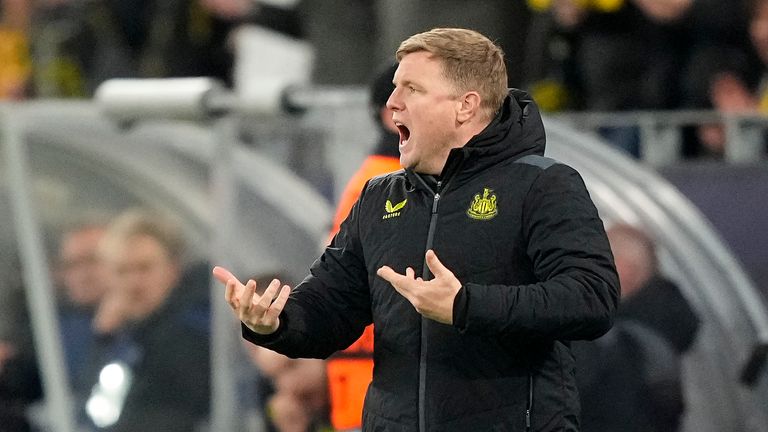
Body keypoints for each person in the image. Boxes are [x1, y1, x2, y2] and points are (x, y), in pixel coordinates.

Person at [214, 27, 619, 431]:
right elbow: (332, 307)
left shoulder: (543, 185)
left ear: (465, 106)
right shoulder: (378, 197)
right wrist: (275, 323)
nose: (392, 104)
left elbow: (591, 297)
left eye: (412, 89)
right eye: (394, 88)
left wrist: (465, 305)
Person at [82, 208, 210, 432]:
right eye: (122, 271)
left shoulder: (193, 328)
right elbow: (93, 407)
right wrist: (104, 339)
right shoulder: (126, 335)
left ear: (173, 269)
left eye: (144, 268)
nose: (133, 283)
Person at [324, 62, 400, 432]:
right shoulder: (387, 184)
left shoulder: (382, 178)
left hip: (377, 391)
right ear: (392, 114)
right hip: (377, 393)